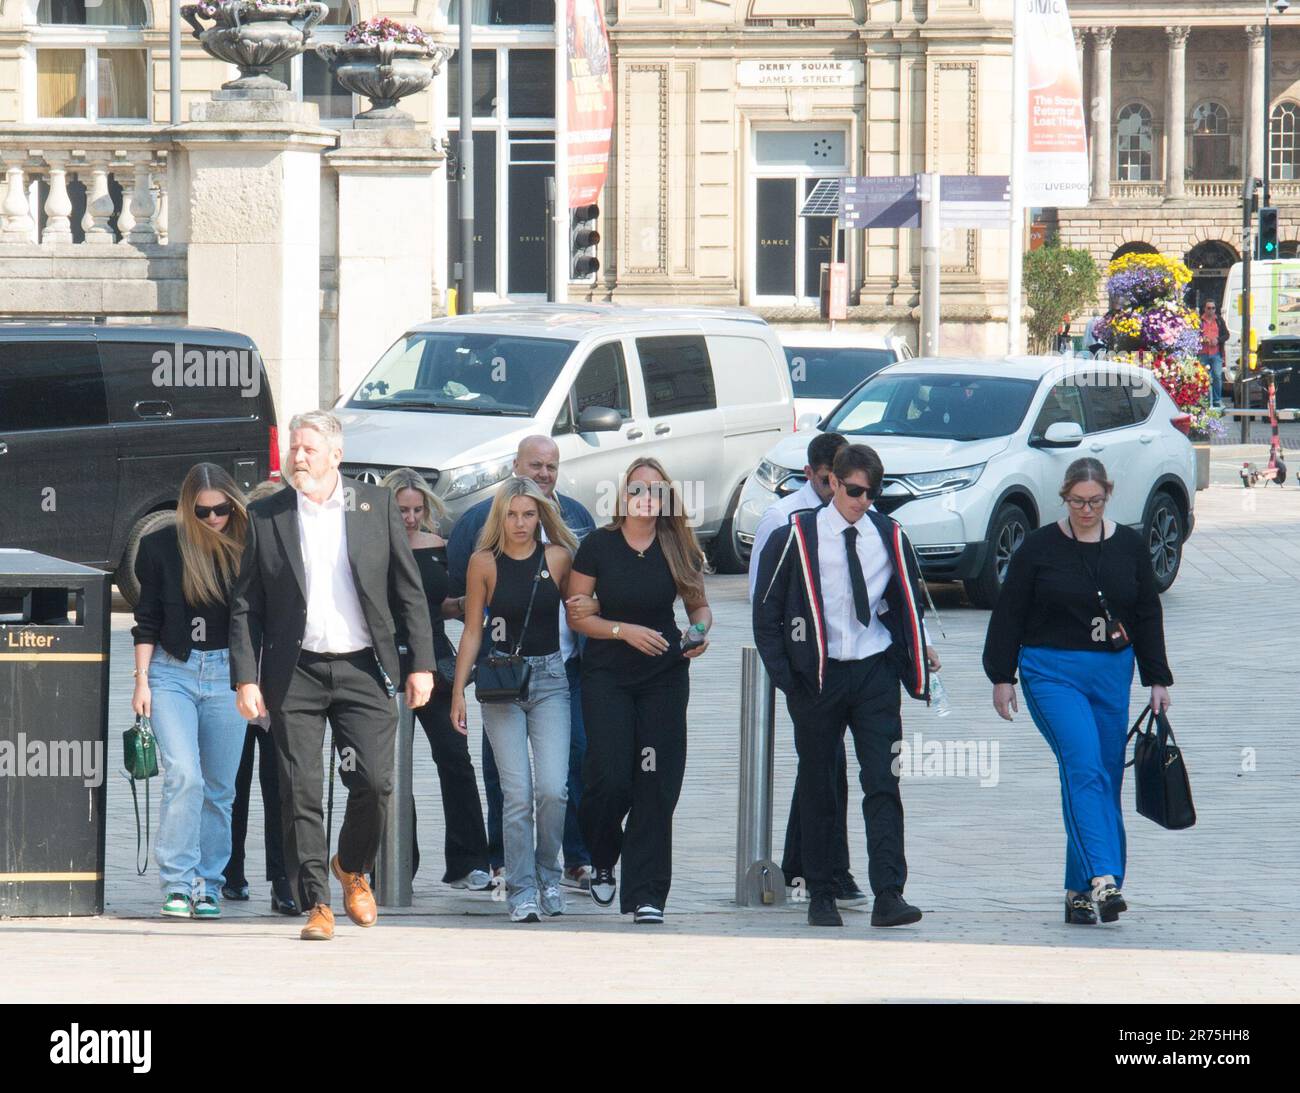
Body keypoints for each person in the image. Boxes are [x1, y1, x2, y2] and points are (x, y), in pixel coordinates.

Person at [229, 410, 435, 942]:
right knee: (299, 790)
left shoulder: (375, 507)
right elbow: (246, 602)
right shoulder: (268, 513)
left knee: (375, 783)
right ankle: (317, 902)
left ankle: (352, 866)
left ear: (335, 456)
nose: (298, 457)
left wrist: (423, 666)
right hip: (293, 671)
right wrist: (245, 677)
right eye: (294, 448)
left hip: (364, 665)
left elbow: (408, 591)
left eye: (308, 450)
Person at [752, 443, 939, 929]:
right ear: (831, 482)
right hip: (818, 676)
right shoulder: (796, 534)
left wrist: (916, 654)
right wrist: (788, 679)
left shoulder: (889, 534)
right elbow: (766, 613)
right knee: (819, 784)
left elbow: (904, 604)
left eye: (871, 493)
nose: (862, 501)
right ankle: (820, 891)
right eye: (854, 490)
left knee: (883, 781)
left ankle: (889, 894)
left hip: (874, 673)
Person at [982, 457, 1173, 926]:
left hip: (1112, 672)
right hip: (1051, 672)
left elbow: (1146, 612)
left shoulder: (1128, 545)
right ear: (1063, 497)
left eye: (1095, 501)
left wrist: (1158, 679)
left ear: (1108, 496)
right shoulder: (1038, 548)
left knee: (1104, 776)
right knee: (1084, 764)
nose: (1085, 509)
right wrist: (1001, 676)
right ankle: (1104, 879)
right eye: (1076, 501)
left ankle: (1076, 891)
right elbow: (1009, 612)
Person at [566, 457, 712, 924]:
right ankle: (604, 856)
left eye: (655, 489)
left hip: (664, 676)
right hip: (608, 673)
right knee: (608, 777)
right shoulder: (597, 547)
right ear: (621, 496)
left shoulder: (678, 546)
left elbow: (699, 607)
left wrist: (699, 633)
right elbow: (578, 616)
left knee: (656, 782)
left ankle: (648, 893)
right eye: (636, 489)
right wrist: (622, 631)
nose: (645, 496)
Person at [446, 435, 596, 889]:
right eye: (535, 465)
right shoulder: (477, 526)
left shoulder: (575, 524)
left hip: (560, 669)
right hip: (502, 675)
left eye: (551, 466)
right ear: (516, 466)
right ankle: (511, 870)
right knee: (509, 783)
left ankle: (571, 859)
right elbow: (462, 609)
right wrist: (459, 690)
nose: (543, 474)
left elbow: (586, 596)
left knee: (565, 774)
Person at [746, 431, 864, 907]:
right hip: (802, 664)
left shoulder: (853, 517)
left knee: (824, 764)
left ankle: (809, 864)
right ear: (817, 475)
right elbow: (764, 593)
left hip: (841, 664)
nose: (837, 492)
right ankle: (826, 870)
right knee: (823, 765)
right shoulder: (783, 517)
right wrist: (785, 673)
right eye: (829, 482)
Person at [131, 463, 250, 919]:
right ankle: (178, 882)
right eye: (202, 512)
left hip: (228, 674)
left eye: (221, 509)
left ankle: (209, 883)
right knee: (185, 775)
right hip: (172, 671)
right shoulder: (160, 546)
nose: (214, 519)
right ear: (186, 508)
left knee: (220, 788)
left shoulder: (246, 546)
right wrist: (140, 681)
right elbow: (146, 620)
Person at [382, 467, 491, 892]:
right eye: (401, 509)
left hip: (434, 658)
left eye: (416, 509)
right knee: (386, 767)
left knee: (454, 756)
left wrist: (467, 601)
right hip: (384, 660)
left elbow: (442, 605)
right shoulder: (370, 548)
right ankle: (392, 862)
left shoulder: (439, 548)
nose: (409, 518)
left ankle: (468, 862)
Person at [222, 479, 298, 915]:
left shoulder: (293, 562)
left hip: (283, 686)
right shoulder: (229, 561)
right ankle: (230, 872)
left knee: (281, 788)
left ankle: (283, 881)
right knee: (231, 785)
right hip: (234, 685)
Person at [1198, 300, 1228, 408]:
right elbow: (1193, 336)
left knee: (1217, 376)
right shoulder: (1198, 321)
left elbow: (1226, 335)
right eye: (1209, 308)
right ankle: (1204, 400)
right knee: (1203, 377)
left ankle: (1216, 400)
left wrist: (1218, 340)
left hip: (1216, 353)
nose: (1211, 310)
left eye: (1213, 308)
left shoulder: (1219, 320)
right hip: (1203, 353)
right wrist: (1202, 339)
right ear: (1205, 309)